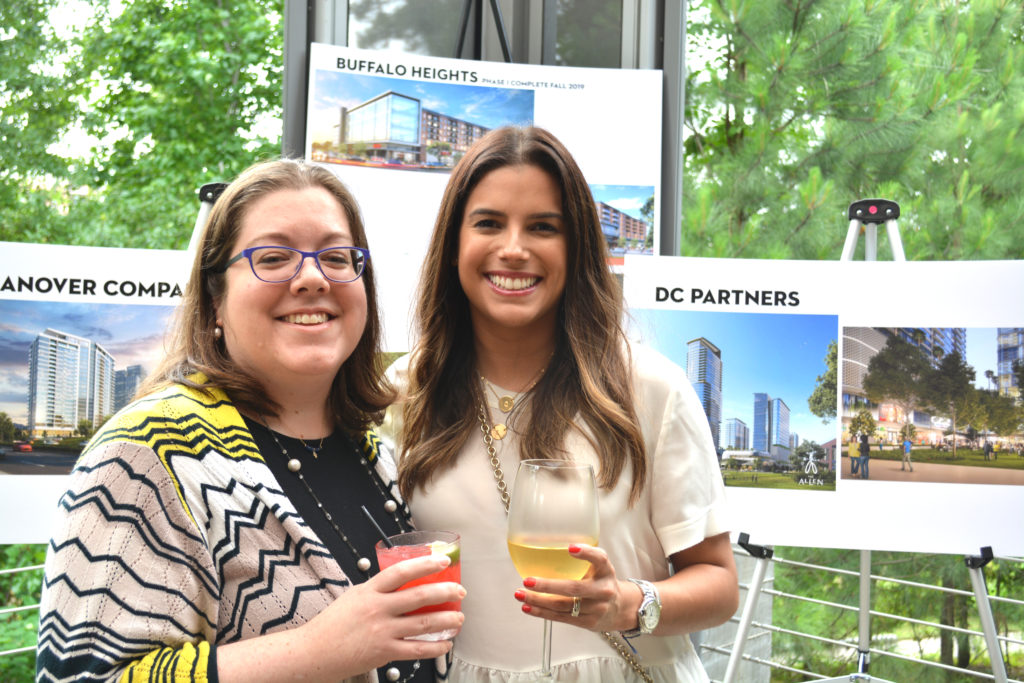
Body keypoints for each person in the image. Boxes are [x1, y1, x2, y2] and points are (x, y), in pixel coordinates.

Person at [36, 159, 464, 683]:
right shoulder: (145, 455)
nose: (311, 278)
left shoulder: (372, 446)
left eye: (336, 257)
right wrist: (317, 649)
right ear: (215, 300)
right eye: (274, 257)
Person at [381, 126, 738, 681]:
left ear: (577, 249)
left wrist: (629, 603)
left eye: (544, 227)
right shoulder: (407, 390)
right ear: (454, 243)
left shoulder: (649, 389)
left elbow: (717, 583)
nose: (515, 249)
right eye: (489, 223)